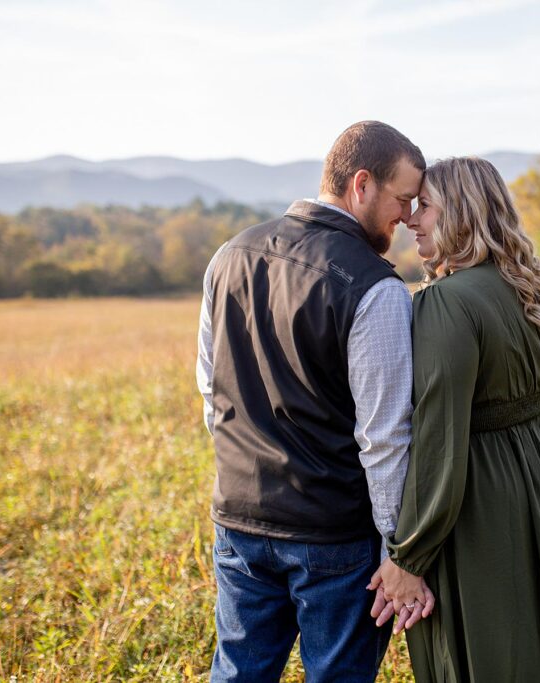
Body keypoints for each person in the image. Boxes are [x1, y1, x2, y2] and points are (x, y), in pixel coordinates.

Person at [369, 157, 540, 682]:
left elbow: (441, 441)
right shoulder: (535, 288)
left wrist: (408, 556)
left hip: (480, 492)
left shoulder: (446, 303)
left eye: (427, 208)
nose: (413, 221)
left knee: (494, 641)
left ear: (460, 213)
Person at [196, 121, 434, 683]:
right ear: (361, 185)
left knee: (236, 675)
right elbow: (384, 439)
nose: (406, 216)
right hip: (333, 538)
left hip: (237, 517)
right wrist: (399, 550)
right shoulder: (375, 288)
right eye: (402, 199)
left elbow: (212, 392)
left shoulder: (228, 255)